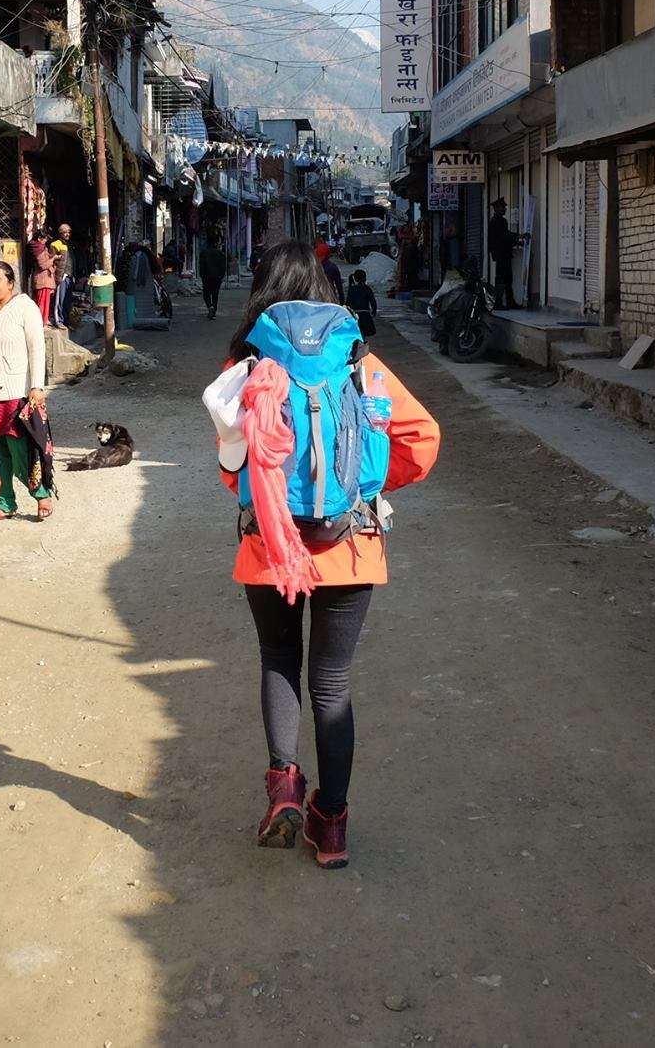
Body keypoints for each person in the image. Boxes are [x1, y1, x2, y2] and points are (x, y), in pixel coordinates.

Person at [210, 241, 440, 870]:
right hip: (351, 545)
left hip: (269, 546)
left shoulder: (247, 361)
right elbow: (423, 438)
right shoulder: (358, 360)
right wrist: (365, 487)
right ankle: (331, 827)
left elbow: (234, 467)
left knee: (279, 659)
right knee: (332, 685)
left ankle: (285, 786)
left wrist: (270, 494)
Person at [0, 261, 54, 520]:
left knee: (21, 451)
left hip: (18, 392)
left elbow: (37, 348)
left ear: (11, 282)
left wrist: (37, 386)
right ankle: (5, 502)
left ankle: (41, 494)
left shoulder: (24, 307)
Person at [488, 197, 519, 309]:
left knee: (505, 278)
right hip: (502, 254)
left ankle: (508, 302)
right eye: (503, 207)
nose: (505, 209)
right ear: (496, 208)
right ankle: (499, 302)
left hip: (501, 253)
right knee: (503, 279)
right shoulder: (498, 221)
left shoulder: (496, 220)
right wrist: (518, 236)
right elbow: (504, 236)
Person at [27, 230, 57, 323]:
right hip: (42, 279)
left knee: (45, 302)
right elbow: (43, 265)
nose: (46, 241)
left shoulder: (40, 247)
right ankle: (41, 322)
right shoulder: (38, 249)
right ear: (39, 239)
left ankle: (43, 321)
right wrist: (53, 259)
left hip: (45, 279)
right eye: (45, 239)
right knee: (42, 303)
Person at [197, 235, 227, 320]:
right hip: (217, 277)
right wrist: (221, 276)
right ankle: (213, 311)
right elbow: (223, 267)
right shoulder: (220, 254)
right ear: (216, 243)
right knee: (215, 294)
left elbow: (201, 266)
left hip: (206, 277)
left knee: (206, 294)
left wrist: (202, 276)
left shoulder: (203, 253)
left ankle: (210, 306)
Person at [344, 267, 379, 339]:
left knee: (355, 335)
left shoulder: (352, 289)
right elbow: (373, 302)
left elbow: (348, 303)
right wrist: (374, 311)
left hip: (355, 315)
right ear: (365, 278)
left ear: (355, 278)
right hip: (365, 315)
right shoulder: (367, 289)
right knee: (364, 334)